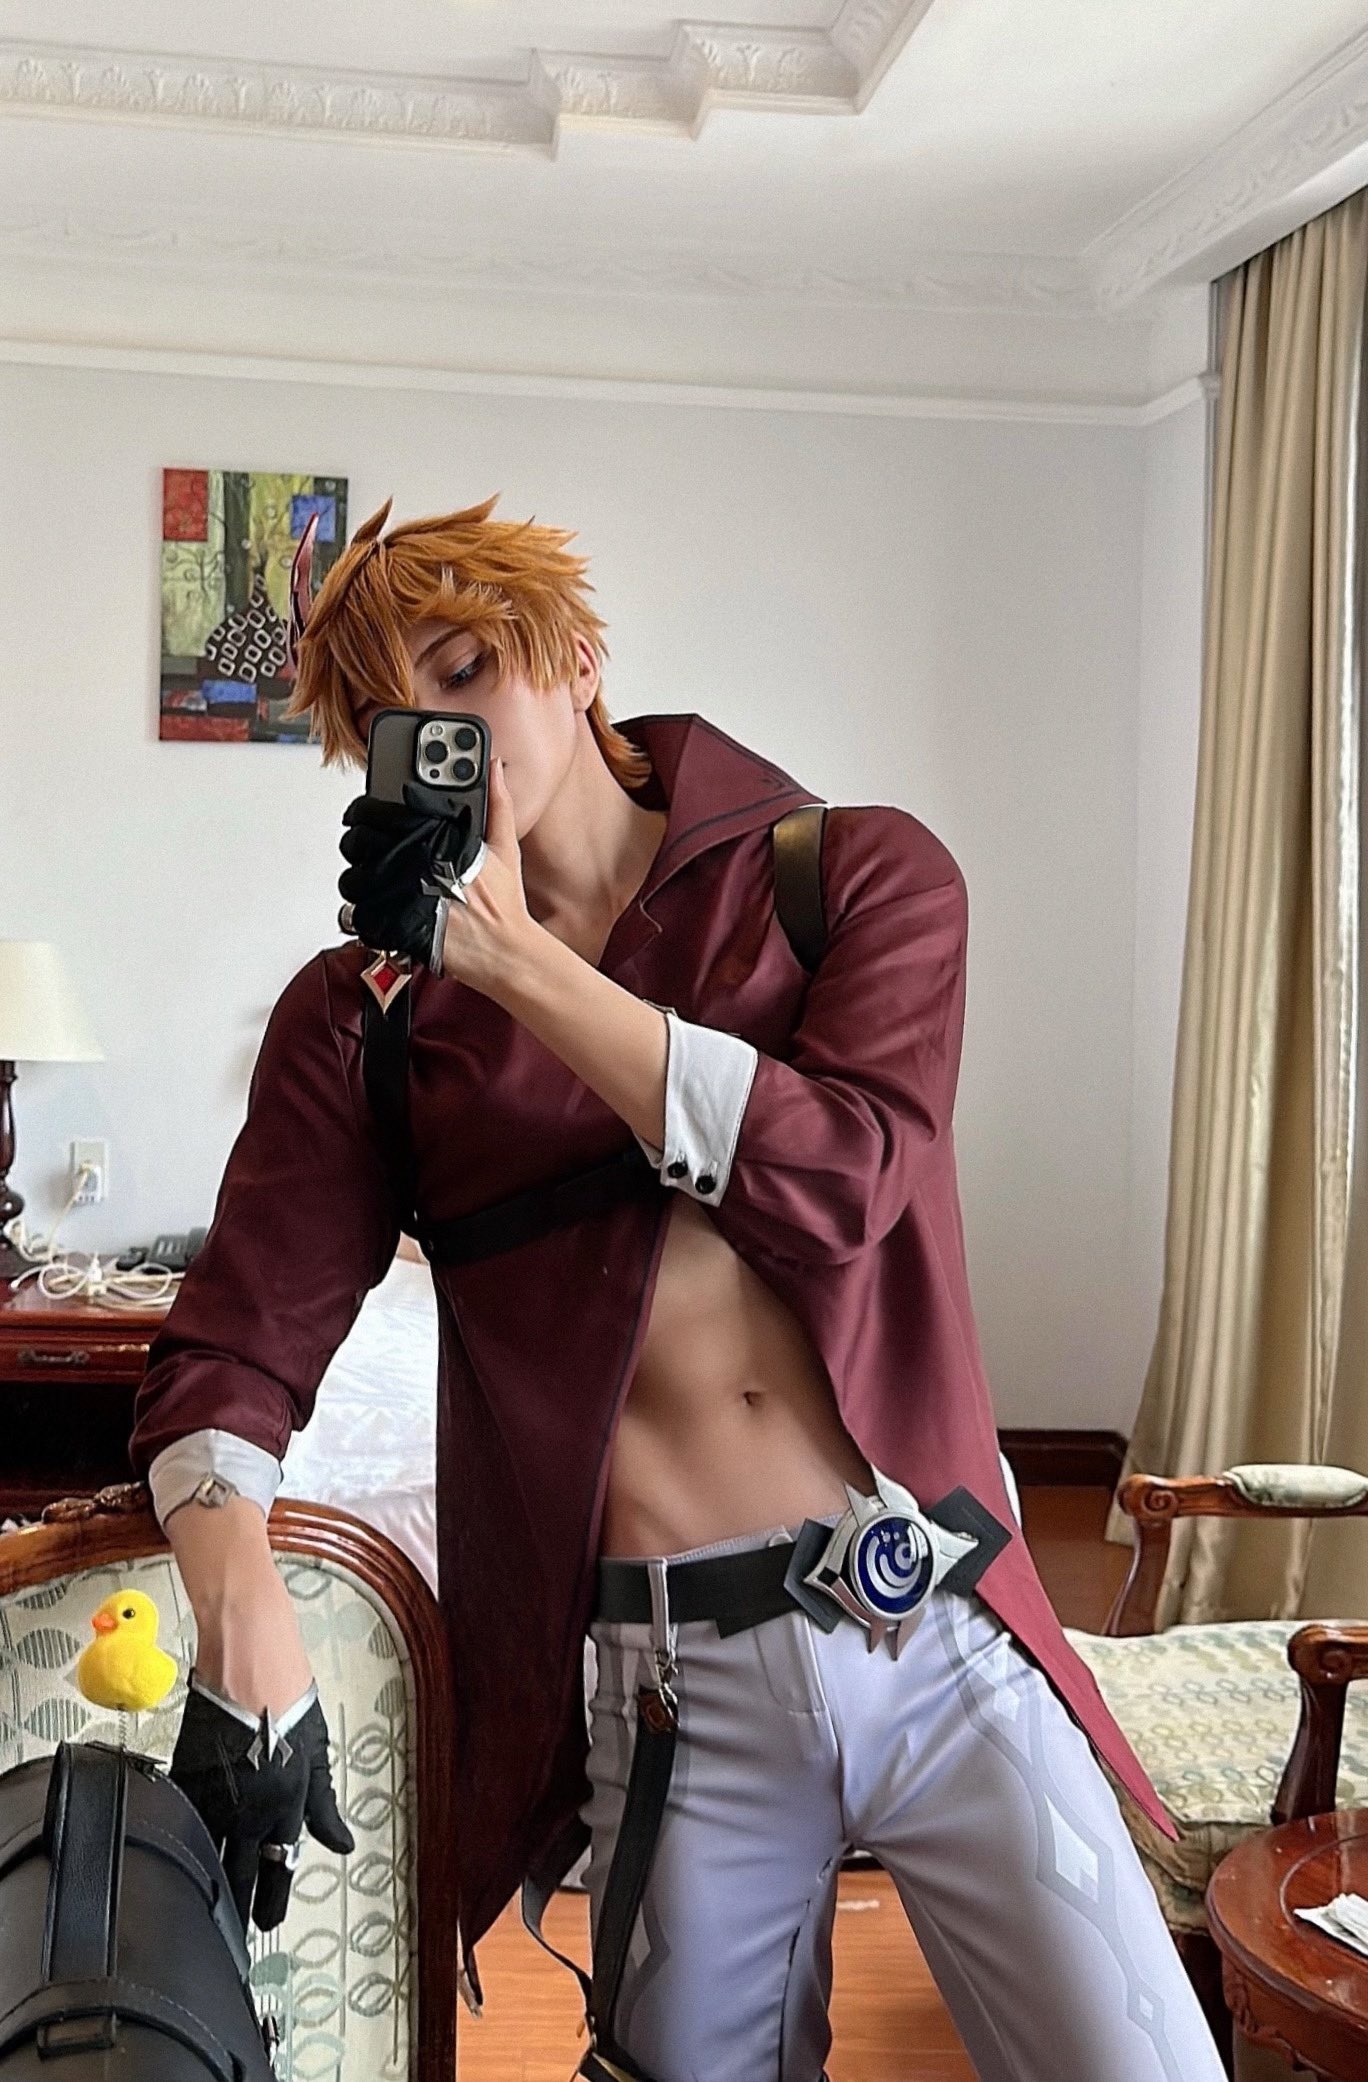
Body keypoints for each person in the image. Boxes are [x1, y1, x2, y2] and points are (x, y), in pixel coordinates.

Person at [129, 495, 1227, 2082]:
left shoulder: (855, 874)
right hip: (672, 1696)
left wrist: (520, 965)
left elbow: (845, 1180)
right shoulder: (364, 1023)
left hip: (942, 1628)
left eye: (465, 668)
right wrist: (241, 1607)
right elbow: (232, 1345)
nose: (442, 728)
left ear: (579, 657)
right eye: (389, 717)